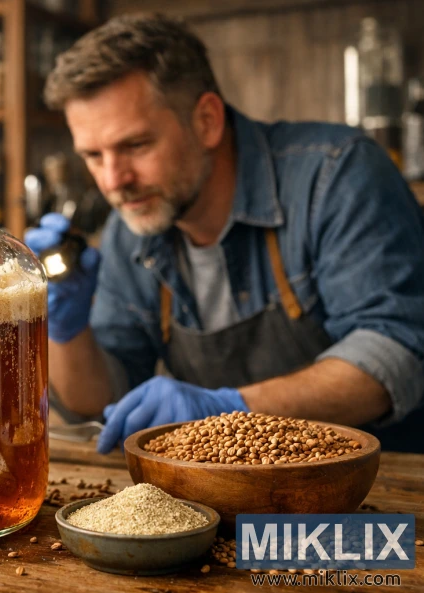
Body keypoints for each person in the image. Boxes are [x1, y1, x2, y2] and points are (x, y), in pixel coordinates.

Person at [27, 13, 424, 454]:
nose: (113, 180)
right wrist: (67, 331)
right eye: (93, 155)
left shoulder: (336, 176)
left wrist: (229, 409)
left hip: (379, 494)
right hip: (230, 495)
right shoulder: (131, 230)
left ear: (207, 121)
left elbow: (396, 354)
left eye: (135, 146)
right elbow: (100, 403)